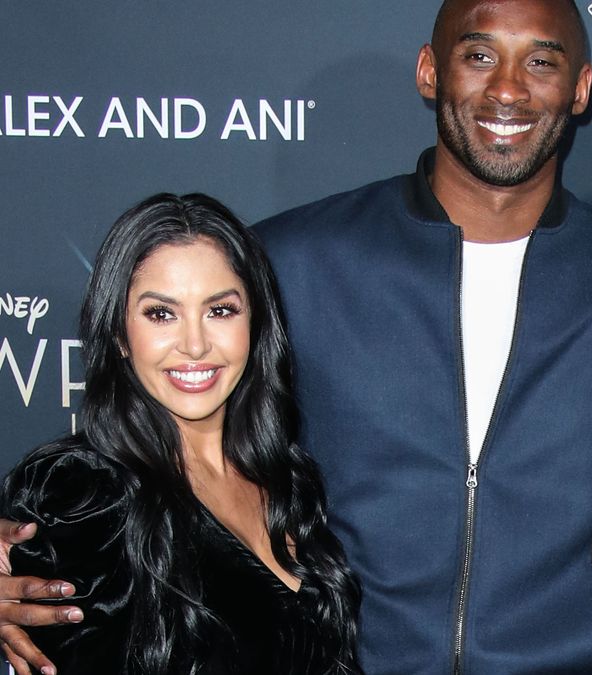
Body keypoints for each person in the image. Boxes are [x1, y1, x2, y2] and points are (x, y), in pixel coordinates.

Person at [0, 1, 592, 674]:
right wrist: (24, 545)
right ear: (429, 71)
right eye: (478, 55)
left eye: (542, 61)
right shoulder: (288, 262)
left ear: (580, 88)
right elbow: (149, 438)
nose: (507, 87)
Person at [0, 193, 361, 673]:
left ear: (255, 323)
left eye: (220, 310)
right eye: (161, 314)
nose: (194, 344)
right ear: (119, 335)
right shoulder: (84, 493)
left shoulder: (288, 481)